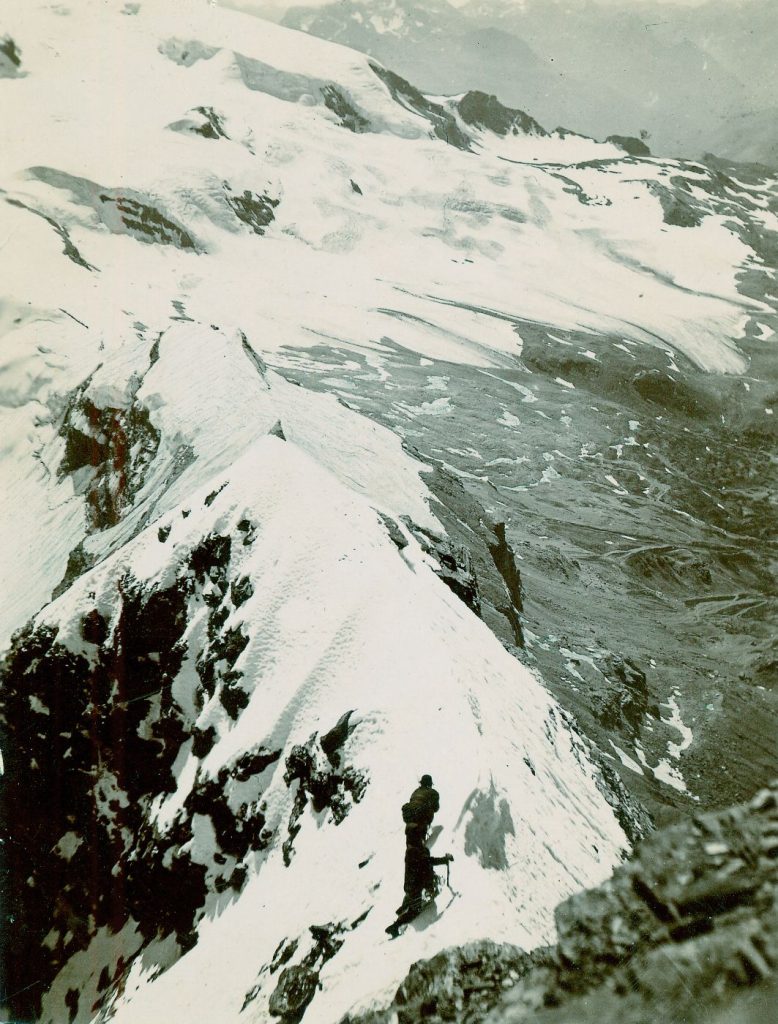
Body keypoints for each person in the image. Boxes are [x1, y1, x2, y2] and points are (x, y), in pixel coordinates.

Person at [403, 774, 439, 844]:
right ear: (430, 784)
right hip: (421, 822)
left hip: (409, 822)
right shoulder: (433, 793)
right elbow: (436, 808)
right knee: (420, 848)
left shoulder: (415, 792)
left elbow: (411, 802)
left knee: (411, 848)